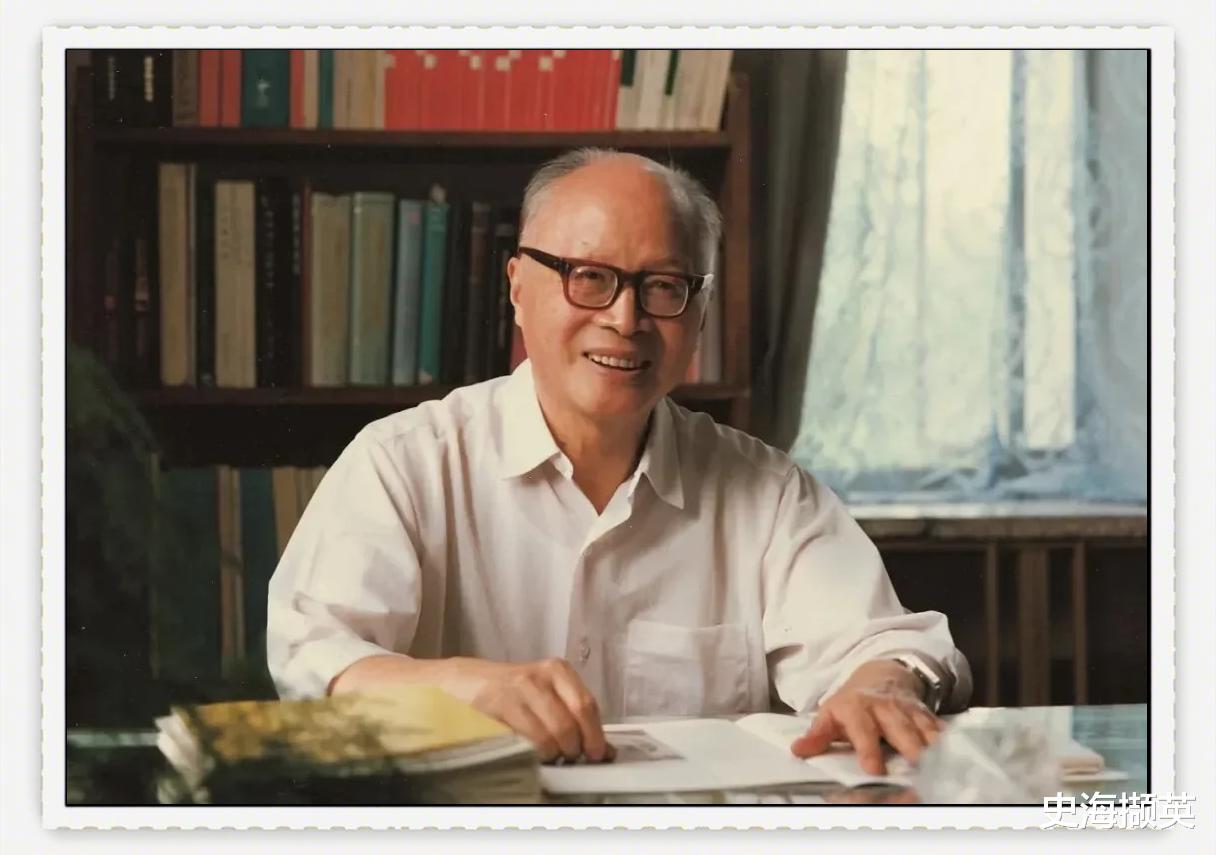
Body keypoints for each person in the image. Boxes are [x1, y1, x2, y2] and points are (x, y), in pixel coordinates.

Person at [266, 148, 972, 774]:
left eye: (662, 286)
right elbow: (313, 655)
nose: (625, 319)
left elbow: (884, 644)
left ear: (699, 312)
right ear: (517, 287)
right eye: (589, 276)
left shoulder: (767, 491)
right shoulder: (406, 463)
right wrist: (459, 686)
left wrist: (881, 684)